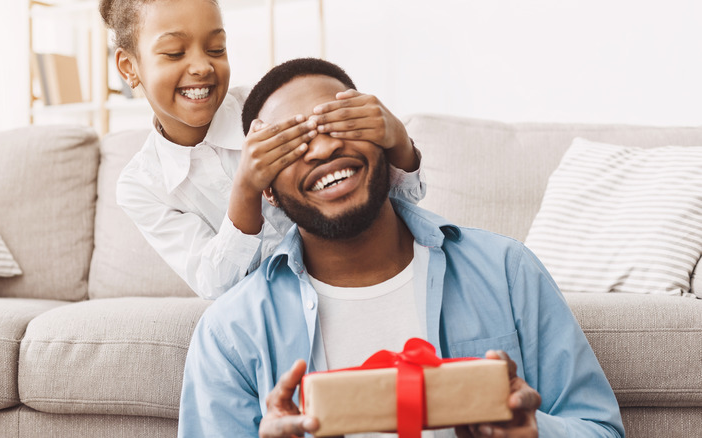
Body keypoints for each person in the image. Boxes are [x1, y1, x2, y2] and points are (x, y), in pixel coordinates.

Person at [178, 58, 625, 438]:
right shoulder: (229, 334)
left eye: (341, 123)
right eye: (290, 145)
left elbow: (599, 427)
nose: (325, 147)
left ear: (382, 137)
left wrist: (533, 432)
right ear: (268, 192)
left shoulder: (507, 272)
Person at [99, 0, 425, 299]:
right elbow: (215, 285)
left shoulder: (271, 107)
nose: (202, 66)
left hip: (354, 278)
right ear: (129, 67)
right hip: (270, 309)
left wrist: (397, 140)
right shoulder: (141, 185)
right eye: (174, 52)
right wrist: (246, 189)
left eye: (216, 48)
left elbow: (401, 200)